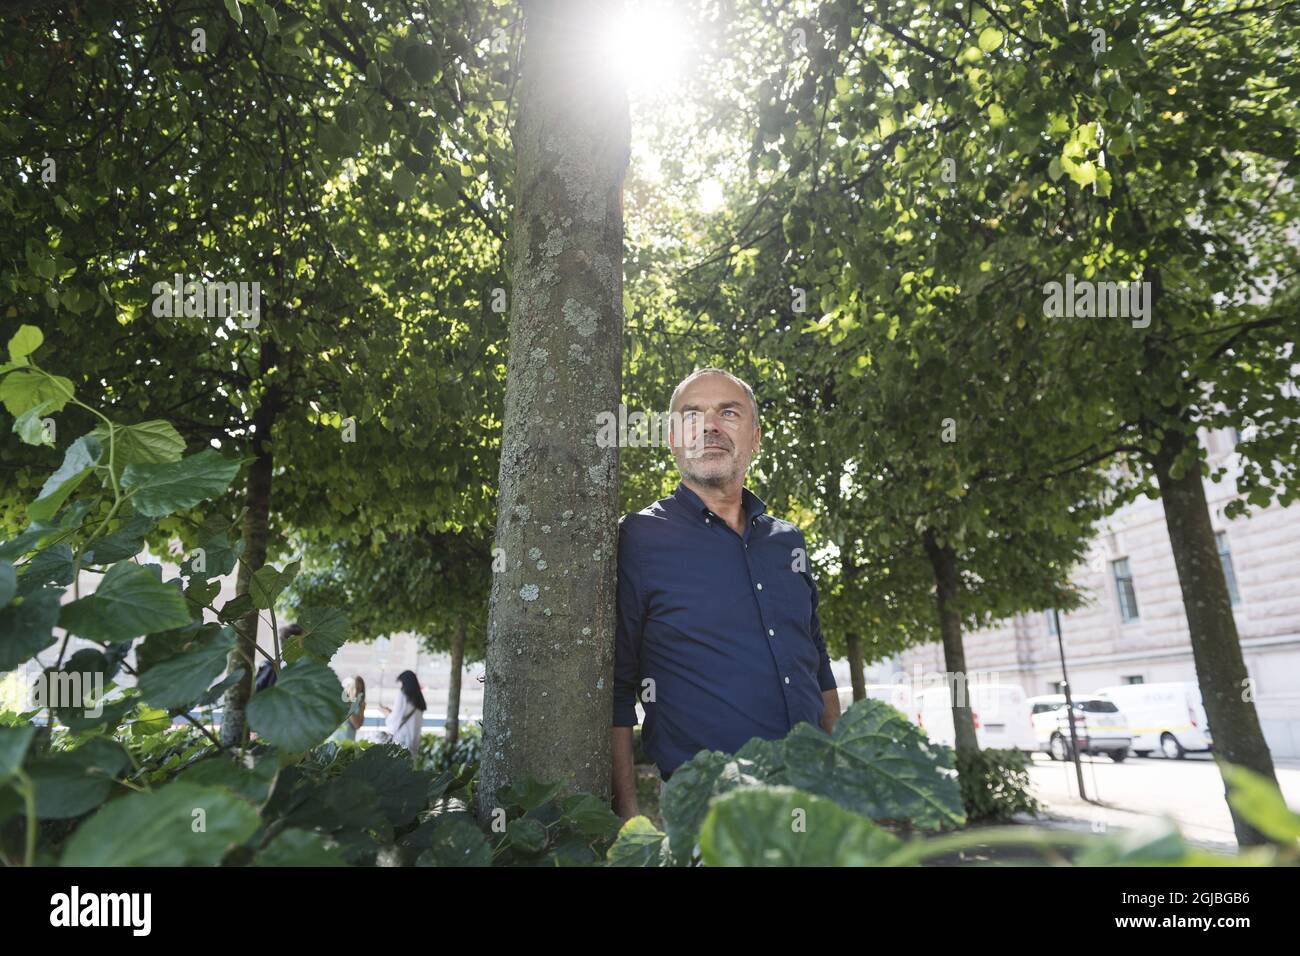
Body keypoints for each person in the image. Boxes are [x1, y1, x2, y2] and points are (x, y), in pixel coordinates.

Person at [611, 368, 840, 819]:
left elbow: (816, 658)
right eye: (692, 415)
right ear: (673, 439)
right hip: (712, 814)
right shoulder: (638, 539)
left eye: (728, 412)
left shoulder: (787, 541)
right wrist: (628, 814)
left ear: (754, 437)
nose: (710, 426)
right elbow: (618, 685)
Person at [378, 670, 426, 759]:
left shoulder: (403, 695)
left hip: (401, 741)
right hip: (414, 743)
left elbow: (395, 718)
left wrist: (387, 713)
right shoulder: (419, 699)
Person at [330, 676, 366, 743]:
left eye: (359, 689)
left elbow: (357, 725)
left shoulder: (361, 705)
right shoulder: (338, 701)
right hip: (332, 741)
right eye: (353, 688)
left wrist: (349, 705)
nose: (356, 692)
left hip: (348, 743)